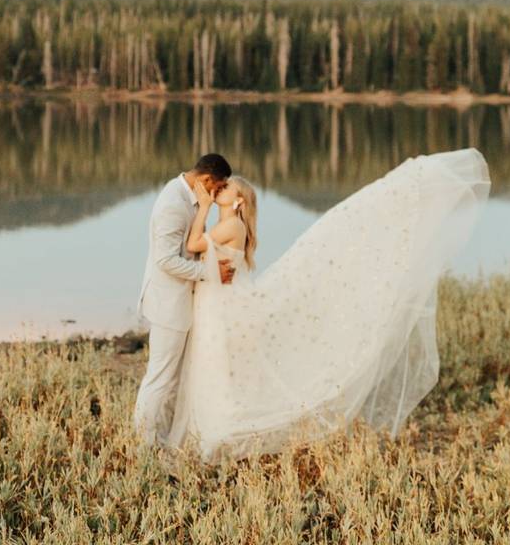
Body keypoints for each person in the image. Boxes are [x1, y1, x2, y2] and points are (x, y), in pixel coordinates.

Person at [162, 148, 491, 462]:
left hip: (221, 309)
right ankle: (209, 431)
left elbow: (192, 244)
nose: (218, 189)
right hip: (217, 305)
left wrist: (203, 206)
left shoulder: (230, 224)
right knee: (215, 367)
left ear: (237, 201)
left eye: (225, 188)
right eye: (218, 186)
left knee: (217, 367)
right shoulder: (230, 225)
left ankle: (217, 433)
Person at [133, 153, 236, 445]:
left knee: (171, 379)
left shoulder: (189, 198)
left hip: (179, 301)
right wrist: (210, 271)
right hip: (168, 303)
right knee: (160, 378)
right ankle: (144, 443)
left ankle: (160, 437)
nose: (218, 195)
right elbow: (166, 260)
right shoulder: (173, 206)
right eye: (217, 188)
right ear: (205, 180)